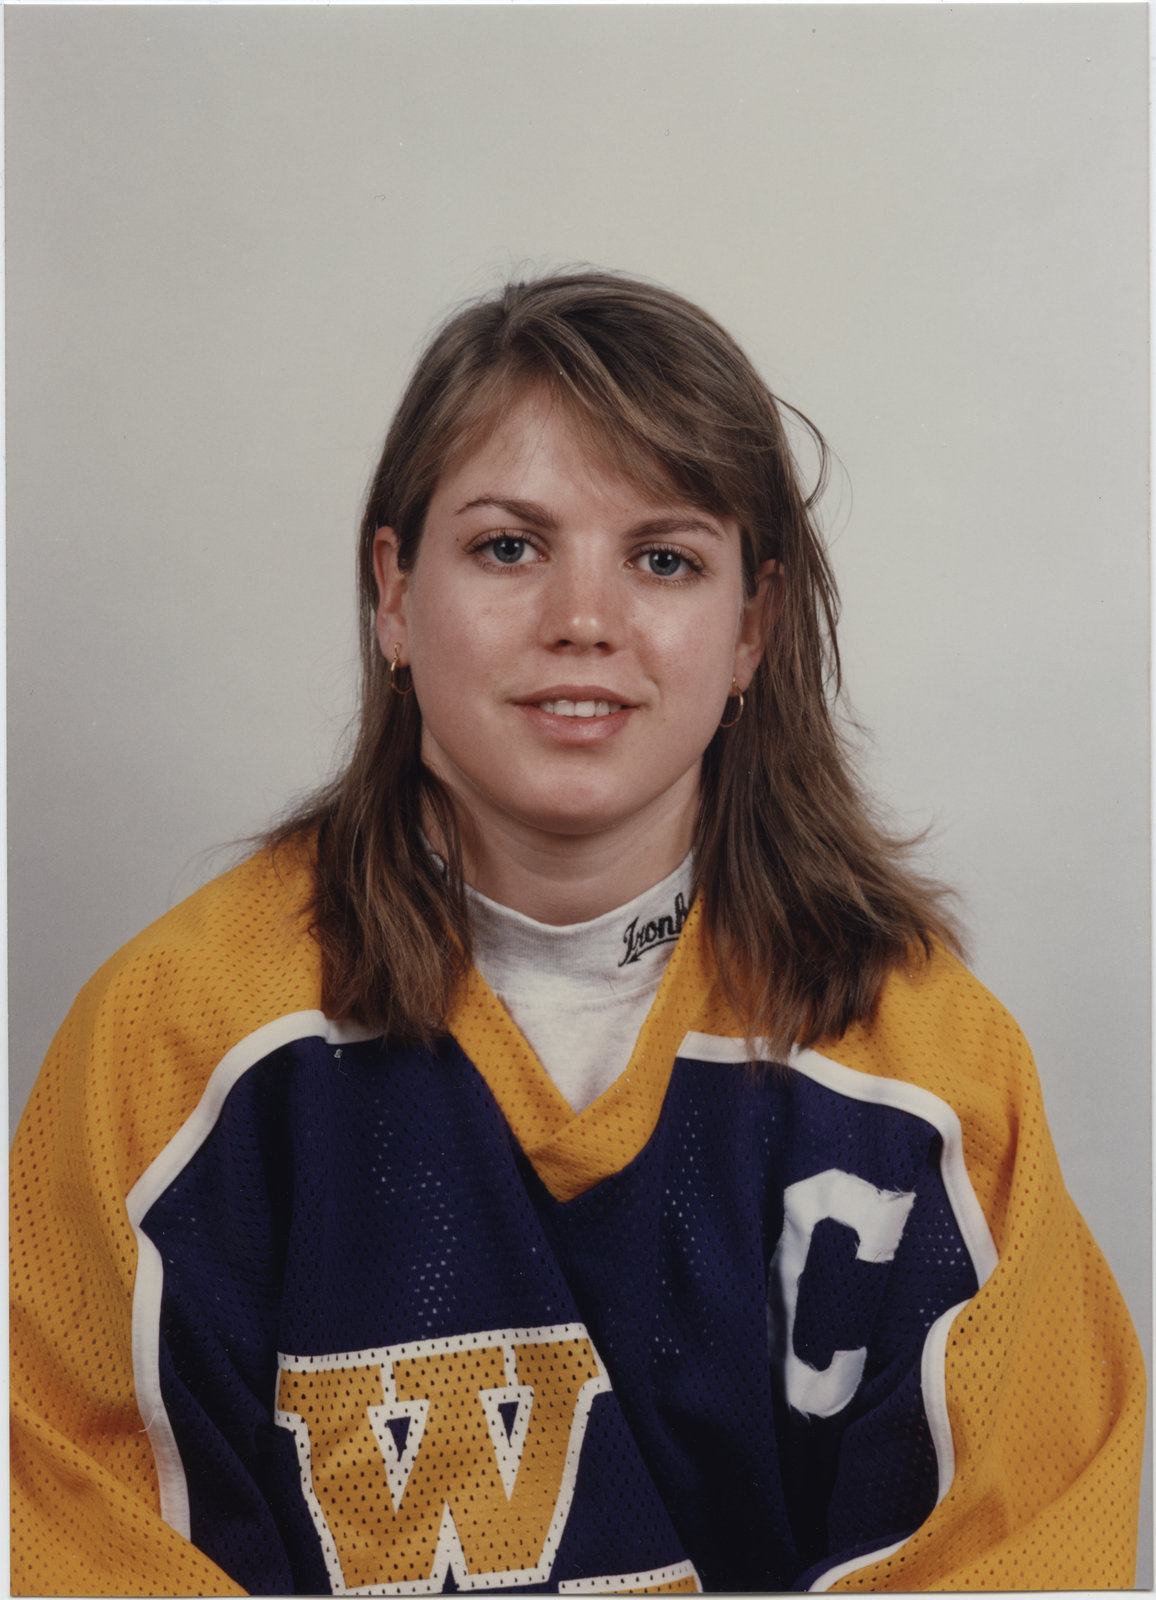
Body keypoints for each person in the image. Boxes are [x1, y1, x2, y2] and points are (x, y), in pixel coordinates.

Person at [10, 271, 1144, 1596]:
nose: (584, 621)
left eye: (664, 560)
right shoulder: (174, 1046)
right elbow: (67, 1533)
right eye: (509, 547)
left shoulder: (932, 1076)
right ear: (393, 593)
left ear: (751, 632)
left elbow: (1025, 1552)